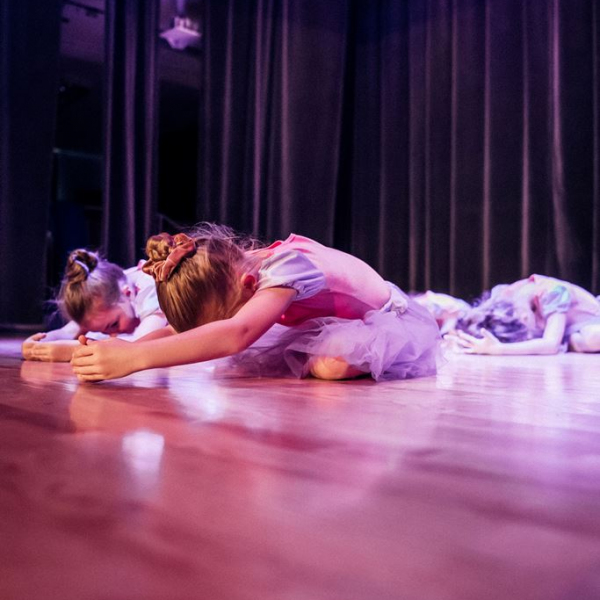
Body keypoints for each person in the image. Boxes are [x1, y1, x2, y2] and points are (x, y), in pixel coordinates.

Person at [71, 223, 441, 382]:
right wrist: (119, 348)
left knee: (330, 366)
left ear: (248, 286)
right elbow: (175, 332)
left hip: (387, 318)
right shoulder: (238, 273)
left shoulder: (289, 267)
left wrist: (134, 359)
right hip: (327, 321)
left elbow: (238, 332)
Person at [22, 249, 168, 362]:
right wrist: (38, 344)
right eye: (104, 331)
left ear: (127, 293)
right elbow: (67, 332)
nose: (112, 334)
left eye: (114, 324)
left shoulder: (151, 287)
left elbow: (141, 345)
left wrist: (73, 351)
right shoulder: (111, 289)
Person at [448, 274, 600, 355]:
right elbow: (478, 319)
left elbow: (551, 344)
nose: (528, 334)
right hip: (569, 333)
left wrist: (499, 349)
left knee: (593, 337)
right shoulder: (503, 295)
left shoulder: (552, 292)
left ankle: (569, 343)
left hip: (592, 322)